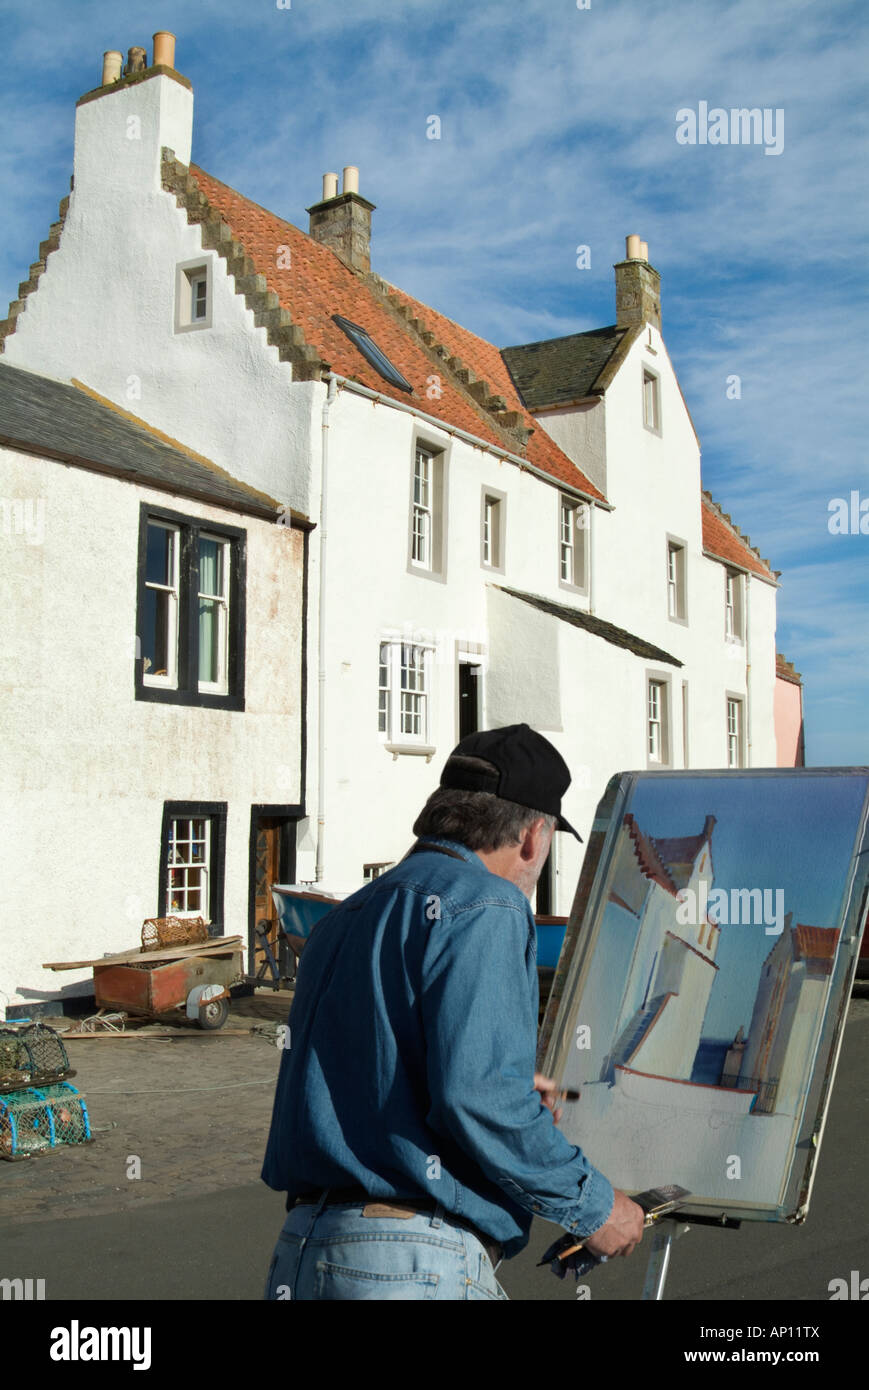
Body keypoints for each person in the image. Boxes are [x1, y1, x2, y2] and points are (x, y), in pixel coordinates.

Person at [261, 723, 644, 1299]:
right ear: (535, 836)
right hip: (406, 1261)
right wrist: (593, 1207)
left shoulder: (345, 916)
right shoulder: (488, 903)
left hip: (304, 1251)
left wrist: (508, 1086)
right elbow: (479, 1097)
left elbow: (375, 1077)